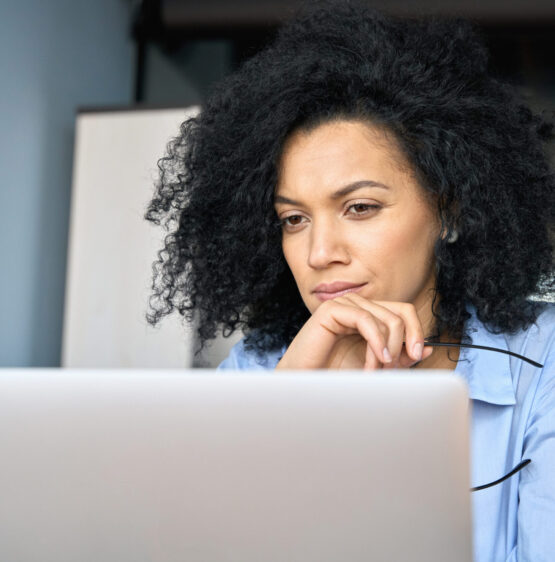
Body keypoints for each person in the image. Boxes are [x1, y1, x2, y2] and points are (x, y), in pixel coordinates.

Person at [145, 1, 555, 559]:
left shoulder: (543, 364)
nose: (318, 253)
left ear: (451, 211)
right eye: (293, 219)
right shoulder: (258, 374)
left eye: (360, 208)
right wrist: (297, 413)